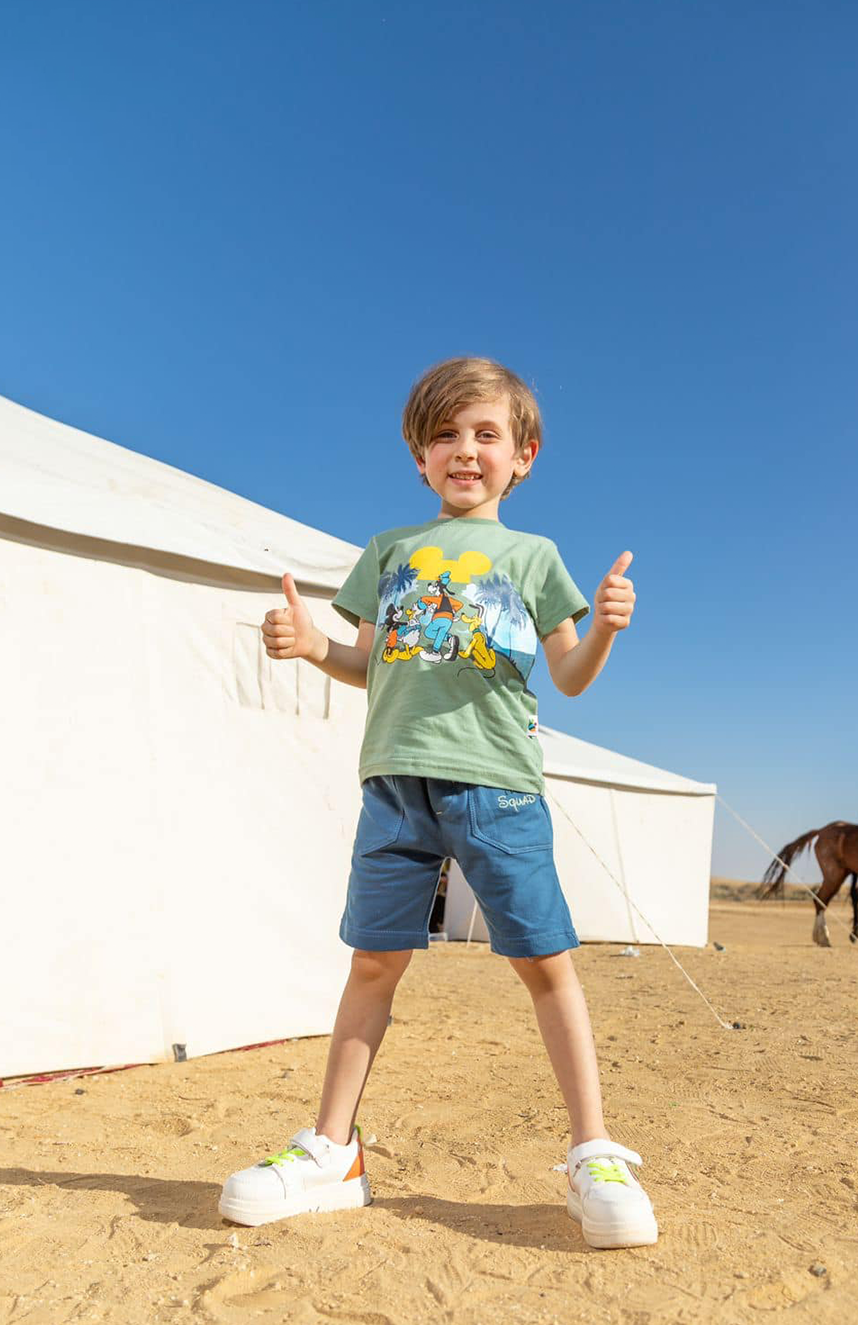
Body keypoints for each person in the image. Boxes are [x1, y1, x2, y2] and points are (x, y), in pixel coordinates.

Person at [218, 356, 656, 1249]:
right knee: (372, 967)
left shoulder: (534, 558)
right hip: (392, 785)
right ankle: (333, 1153)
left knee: (545, 966)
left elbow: (568, 676)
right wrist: (310, 644)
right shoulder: (388, 551)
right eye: (445, 436)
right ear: (420, 457)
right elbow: (367, 661)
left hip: (499, 787)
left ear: (523, 455)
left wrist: (605, 627)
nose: (466, 451)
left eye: (486, 435)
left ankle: (593, 1150)